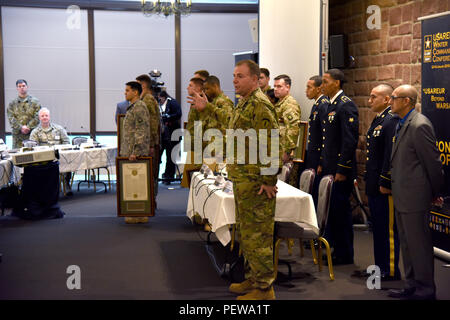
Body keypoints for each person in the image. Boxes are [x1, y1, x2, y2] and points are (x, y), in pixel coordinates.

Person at [191, 59, 279, 300]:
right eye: (233, 76)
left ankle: (264, 289)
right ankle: (252, 279)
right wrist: (207, 108)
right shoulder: (244, 104)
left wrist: (270, 180)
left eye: (239, 76)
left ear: (254, 78)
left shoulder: (261, 104)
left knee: (258, 236)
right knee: (247, 236)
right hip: (242, 181)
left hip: (256, 183)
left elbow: (272, 143)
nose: (234, 80)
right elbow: (229, 124)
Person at [388, 84, 443, 300]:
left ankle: (426, 289)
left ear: (406, 101)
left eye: (394, 97)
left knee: (419, 245)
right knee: (407, 244)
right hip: (403, 194)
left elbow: (433, 163)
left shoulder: (419, 125)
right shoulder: (401, 123)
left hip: (415, 196)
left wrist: (435, 191)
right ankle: (411, 284)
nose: (390, 101)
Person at [361, 84, 401, 282]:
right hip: (374, 183)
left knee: (388, 230)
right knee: (378, 228)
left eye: (373, 97)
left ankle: (390, 269)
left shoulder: (391, 121)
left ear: (386, 99)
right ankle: (380, 266)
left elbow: (390, 155)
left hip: (384, 185)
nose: (370, 101)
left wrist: (385, 180)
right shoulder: (379, 120)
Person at [318, 68, 359, 265]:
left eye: (325, 81)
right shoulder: (329, 105)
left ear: (337, 83)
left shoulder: (345, 106)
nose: (322, 85)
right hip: (329, 167)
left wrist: (342, 169)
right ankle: (336, 249)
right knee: (332, 211)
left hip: (340, 170)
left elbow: (349, 141)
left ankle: (345, 253)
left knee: (341, 211)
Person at [121, 81, 151, 224]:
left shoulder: (139, 107)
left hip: (136, 152)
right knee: (132, 185)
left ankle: (140, 214)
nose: (125, 93)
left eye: (127, 90)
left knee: (138, 185)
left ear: (135, 92)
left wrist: (136, 151)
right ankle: (134, 213)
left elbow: (142, 130)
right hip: (130, 150)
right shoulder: (132, 107)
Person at [29, 107, 72, 195]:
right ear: (39, 118)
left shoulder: (59, 129)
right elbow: (33, 147)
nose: (44, 117)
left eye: (46, 115)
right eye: (42, 116)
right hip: (43, 158)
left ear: (49, 117)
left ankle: (66, 184)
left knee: (68, 161)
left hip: (59, 156)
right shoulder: (35, 132)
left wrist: (60, 150)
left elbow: (67, 142)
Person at [136, 74, 160, 201]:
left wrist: (150, 144)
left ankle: (151, 201)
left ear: (143, 85)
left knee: (151, 173)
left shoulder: (148, 99)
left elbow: (153, 123)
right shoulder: (145, 99)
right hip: (149, 142)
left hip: (150, 143)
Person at [273, 74, 301, 168]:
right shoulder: (280, 103)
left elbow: (293, 129)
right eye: (274, 86)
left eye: (279, 86)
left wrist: (287, 152)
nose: (275, 89)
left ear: (287, 87)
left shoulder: (289, 104)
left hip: (286, 156)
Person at [7, 79, 41, 149]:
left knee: (33, 155)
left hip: (32, 134)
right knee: (17, 156)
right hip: (18, 136)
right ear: (17, 88)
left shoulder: (35, 102)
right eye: (19, 86)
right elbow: (11, 118)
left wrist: (28, 127)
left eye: (23, 86)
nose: (22, 88)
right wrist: (21, 127)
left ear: (27, 87)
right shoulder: (12, 103)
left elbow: (38, 116)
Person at [305, 75, 329, 172]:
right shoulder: (317, 105)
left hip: (318, 156)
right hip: (313, 154)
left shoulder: (323, 105)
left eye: (309, 87)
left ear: (319, 89)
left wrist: (321, 161)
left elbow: (325, 135)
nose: (306, 90)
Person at [158, 90, 181, 185]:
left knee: (170, 156)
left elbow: (178, 114)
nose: (160, 102)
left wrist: (168, 117)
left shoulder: (173, 102)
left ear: (163, 97)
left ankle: (169, 176)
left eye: (160, 100)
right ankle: (164, 175)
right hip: (165, 134)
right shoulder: (166, 103)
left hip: (173, 134)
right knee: (162, 155)